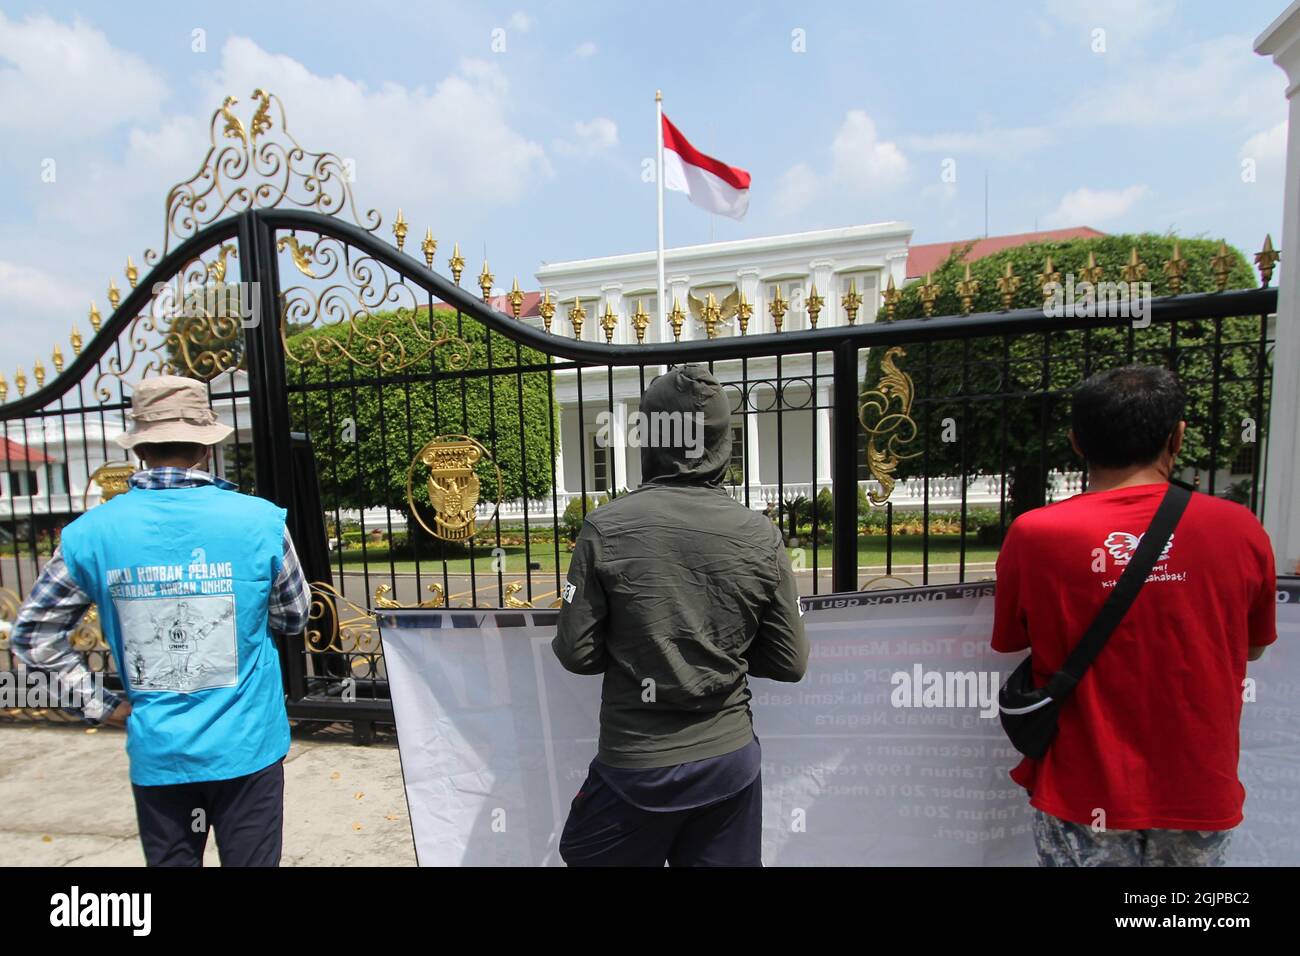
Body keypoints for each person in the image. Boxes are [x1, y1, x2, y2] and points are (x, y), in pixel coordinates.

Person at [11, 375, 311, 867]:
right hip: (248, 744)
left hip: (160, 750)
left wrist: (101, 706)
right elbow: (294, 616)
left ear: (140, 449)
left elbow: (32, 634)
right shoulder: (258, 522)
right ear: (207, 448)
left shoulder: (91, 533)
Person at [991, 364, 1276, 866]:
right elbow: (1252, 645)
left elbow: (1012, 639)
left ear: (1077, 442)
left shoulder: (1036, 535)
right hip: (1198, 792)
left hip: (1082, 790)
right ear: (1178, 435)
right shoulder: (1238, 528)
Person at [553, 364, 808, 866]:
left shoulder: (605, 528)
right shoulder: (760, 535)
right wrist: (719, 652)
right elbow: (789, 661)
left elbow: (577, 654)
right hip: (727, 760)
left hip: (637, 765)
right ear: (722, 442)